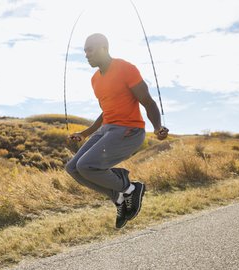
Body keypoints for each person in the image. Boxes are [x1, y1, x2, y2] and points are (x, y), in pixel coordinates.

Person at [66, 33, 169, 228]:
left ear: (104, 48)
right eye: (85, 51)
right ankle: (119, 198)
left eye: (90, 49)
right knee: (72, 168)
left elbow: (147, 101)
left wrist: (157, 127)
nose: (86, 54)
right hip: (106, 129)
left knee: (86, 165)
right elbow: (106, 111)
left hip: (129, 130)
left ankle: (131, 188)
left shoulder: (126, 69)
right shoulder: (95, 80)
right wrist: (85, 133)